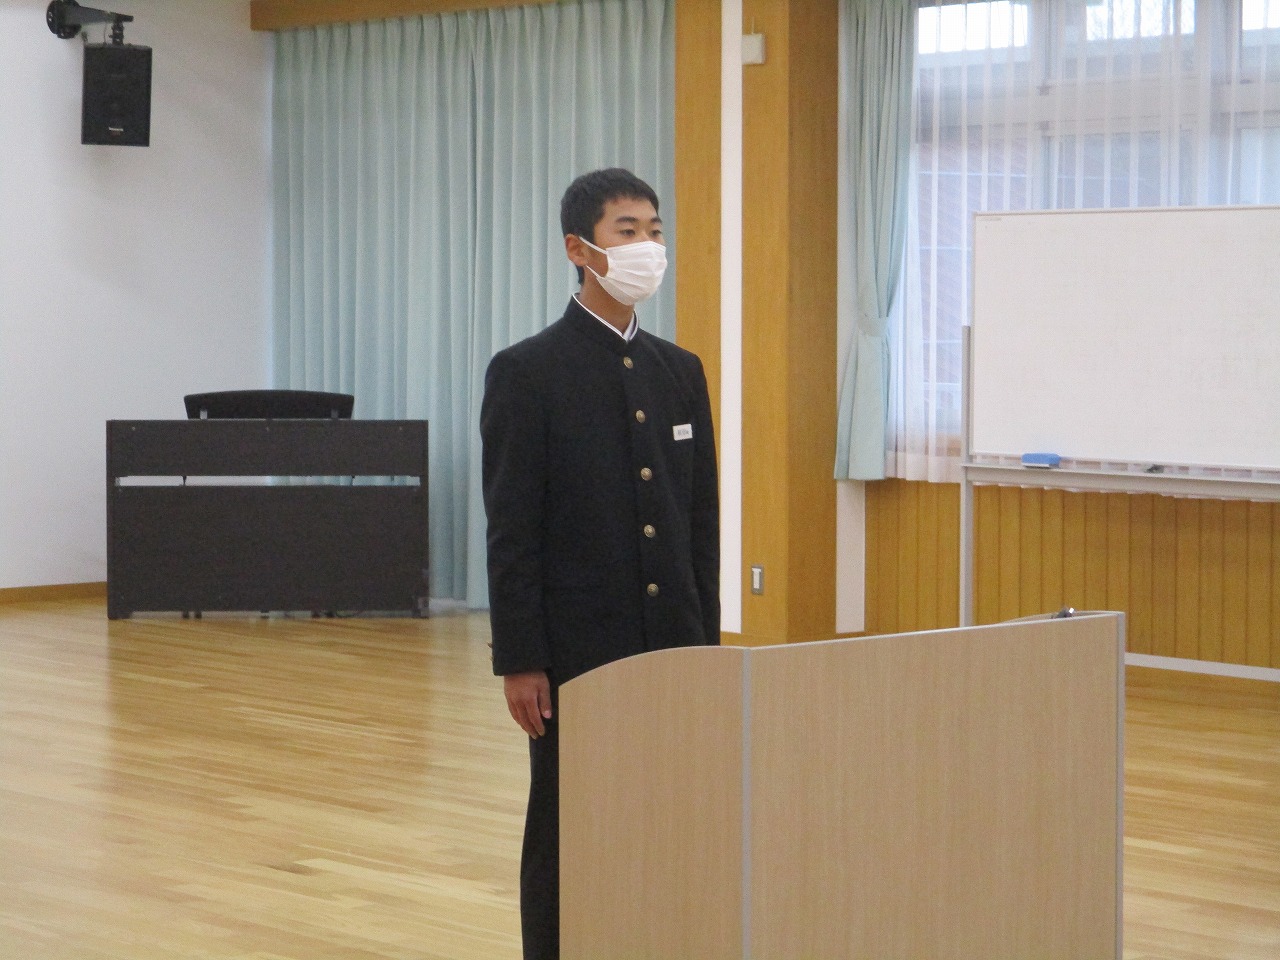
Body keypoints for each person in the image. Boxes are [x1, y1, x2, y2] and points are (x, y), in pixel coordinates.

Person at [480, 168, 720, 960]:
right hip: (577, 647)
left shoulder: (679, 370)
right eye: (628, 230)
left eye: (655, 229)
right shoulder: (527, 371)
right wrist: (521, 658)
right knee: (566, 823)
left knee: (670, 813)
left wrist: (707, 645)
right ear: (578, 249)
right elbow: (512, 529)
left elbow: (699, 523)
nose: (649, 245)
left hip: (672, 639)